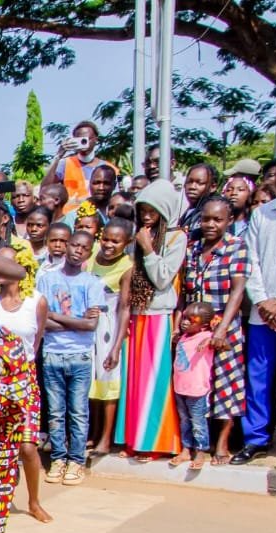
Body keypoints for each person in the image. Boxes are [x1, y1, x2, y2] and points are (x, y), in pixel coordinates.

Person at [230, 150, 276, 475]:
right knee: (257, 378)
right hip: (262, 313)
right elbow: (251, 261)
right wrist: (262, 300)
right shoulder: (263, 215)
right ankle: (257, 438)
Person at [106, 179, 187, 459]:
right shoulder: (141, 234)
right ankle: (134, 439)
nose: (147, 215)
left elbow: (164, 278)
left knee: (156, 383)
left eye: (153, 209)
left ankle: (155, 442)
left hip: (158, 316)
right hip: (137, 314)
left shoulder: (177, 237)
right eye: (143, 209)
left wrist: (149, 249)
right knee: (135, 384)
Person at [0, 246, 51, 526]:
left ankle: (34, 501)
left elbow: (36, 343)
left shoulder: (37, 302)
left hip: (24, 381)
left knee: (28, 447)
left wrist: (20, 367)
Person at [181, 197, 248, 463]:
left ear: (229, 221)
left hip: (224, 328)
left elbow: (238, 290)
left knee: (225, 385)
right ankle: (197, 443)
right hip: (194, 331)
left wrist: (221, 331)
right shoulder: (193, 249)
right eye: (206, 219)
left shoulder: (237, 247)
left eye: (217, 219)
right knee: (194, 386)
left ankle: (221, 443)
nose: (210, 224)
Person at [38, 230, 103, 484]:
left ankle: (76, 460)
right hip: (53, 353)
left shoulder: (92, 283)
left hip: (80, 355)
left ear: (89, 252)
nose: (77, 250)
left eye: (83, 248)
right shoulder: (47, 279)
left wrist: (59, 318)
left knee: (78, 411)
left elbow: (91, 326)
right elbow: (41, 320)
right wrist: (76, 322)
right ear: (66, 246)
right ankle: (58, 458)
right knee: (55, 411)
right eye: (73, 245)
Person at [88, 218, 135, 455]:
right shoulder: (92, 255)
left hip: (109, 327)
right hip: (88, 324)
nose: (109, 245)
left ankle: (105, 437)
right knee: (92, 383)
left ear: (127, 243)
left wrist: (117, 346)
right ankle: (93, 433)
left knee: (108, 381)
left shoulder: (127, 266)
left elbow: (124, 307)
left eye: (116, 241)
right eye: (105, 239)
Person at [171, 301, 216, 470]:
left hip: (197, 390)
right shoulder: (183, 336)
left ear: (204, 325)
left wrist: (211, 340)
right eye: (184, 318)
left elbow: (223, 344)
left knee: (198, 421)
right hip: (180, 388)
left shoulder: (206, 337)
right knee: (184, 421)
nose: (185, 322)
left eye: (192, 320)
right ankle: (186, 448)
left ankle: (201, 450)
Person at [41, 120, 113, 214]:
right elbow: (45, 189)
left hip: (99, 219)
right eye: (79, 139)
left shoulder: (108, 168)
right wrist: (58, 156)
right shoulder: (65, 164)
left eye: (87, 139)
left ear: (96, 139)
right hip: (70, 219)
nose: (84, 142)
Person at [180, 163, 219, 238]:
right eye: (189, 182)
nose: (192, 187)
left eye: (199, 183)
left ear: (213, 187)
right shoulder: (188, 210)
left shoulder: (212, 213)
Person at [223, 173, 257, 238]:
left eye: (240, 189)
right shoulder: (219, 223)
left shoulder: (253, 223)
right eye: (229, 190)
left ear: (250, 193)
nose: (233, 193)